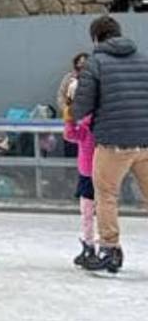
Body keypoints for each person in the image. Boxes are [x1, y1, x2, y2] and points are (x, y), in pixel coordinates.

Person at [72, 15, 148, 273]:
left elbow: (82, 107)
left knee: (106, 196)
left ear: (96, 37)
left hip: (113, 143)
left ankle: (110, 249)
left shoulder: (96, 63)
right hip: (146, 141)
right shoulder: (144, 59)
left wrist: (74, 101)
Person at [60, 54, 96, 266]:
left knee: (89, 212)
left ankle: (92, 244)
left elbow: (70, 135)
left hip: (89, 170)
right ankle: (101, 245)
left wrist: (69, 117)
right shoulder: (94, 121)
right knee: (100, 210)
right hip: (99, 169)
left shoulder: (86, 123)